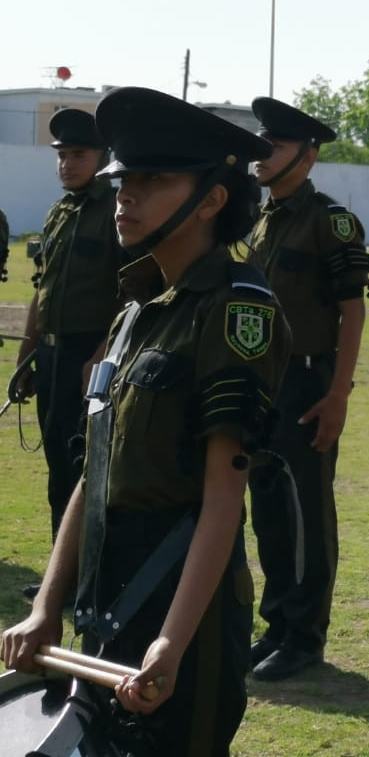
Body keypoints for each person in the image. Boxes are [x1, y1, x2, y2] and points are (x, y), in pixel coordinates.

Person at [1, 87, 291, 757]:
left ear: (211, 200)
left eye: (153, 180)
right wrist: (47, 605)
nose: (126, 196)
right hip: (106, 597)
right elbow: (93, 475)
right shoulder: (137, 310)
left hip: (181, 600)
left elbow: (223, 499)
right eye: (124, 180)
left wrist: (172, 640)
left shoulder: (234, 310)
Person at [244, 96, 369, 681]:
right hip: (261, 382)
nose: (262, 155)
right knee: (269, 508)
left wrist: (338, 395)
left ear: (308, 155)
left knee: (305, 514)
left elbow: (352, 310)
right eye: (262, 144)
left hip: (305, 381)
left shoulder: (330, 221)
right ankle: (277, 624)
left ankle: (304, 636)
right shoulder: (260, 218)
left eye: (275, 147)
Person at [13, 108, 125, 554]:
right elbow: (42, 288)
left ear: (103, 157)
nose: (67, 163)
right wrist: (27, 354)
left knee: (89, 467)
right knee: (58, 465)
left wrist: (102, 355)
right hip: (52, 357)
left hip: (90, 356)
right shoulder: (58, 212)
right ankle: (62, 572)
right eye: (62, 155)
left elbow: (132, 293)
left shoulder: (117, 210)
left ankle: (90, 572)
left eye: (79, 154)